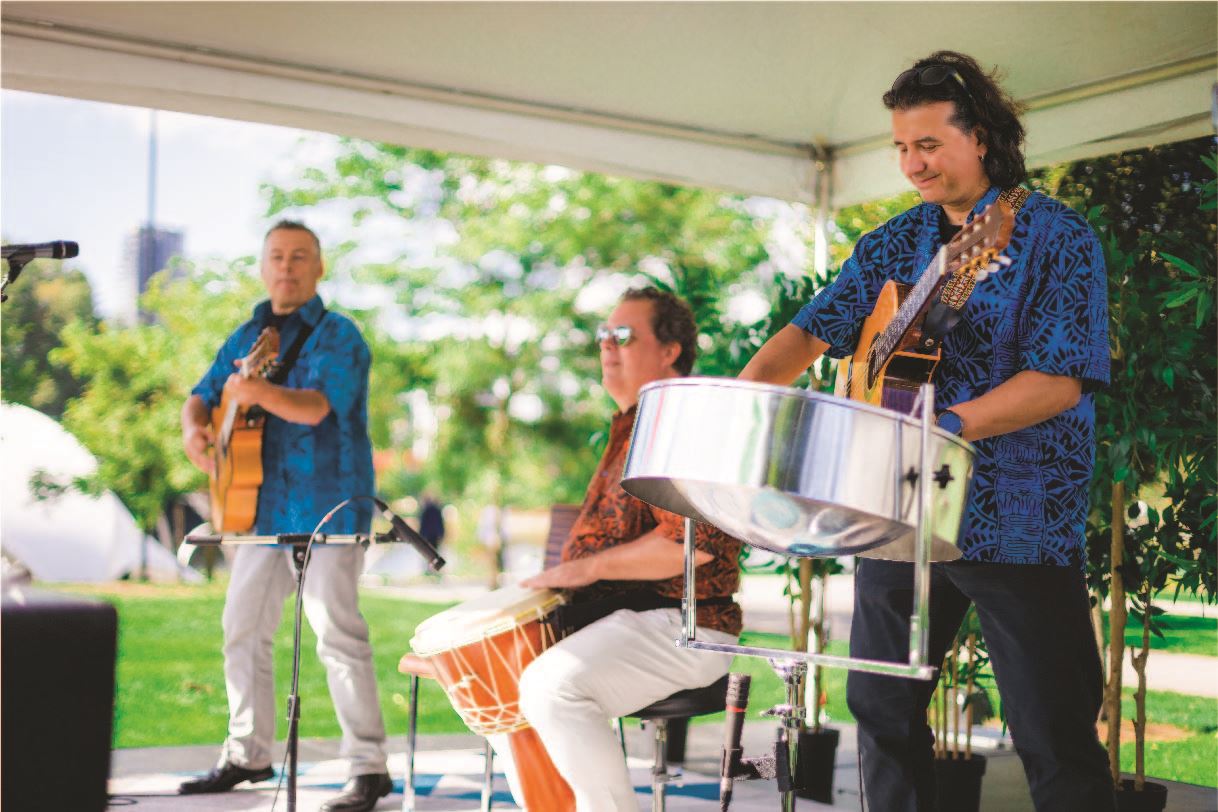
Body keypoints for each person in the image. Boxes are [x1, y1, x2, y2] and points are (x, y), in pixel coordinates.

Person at [740, 51, 1114, 812]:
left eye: (929, 145)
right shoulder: (891, 244)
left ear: (981, 137)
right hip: (897, 511)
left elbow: (1059, 380)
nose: (912, 164)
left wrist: (939, 426)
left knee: (1052, 730)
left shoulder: (1056, 238)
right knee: (879, 713)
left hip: (1019, 513)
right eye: (902, 148)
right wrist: (743, 402)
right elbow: (811, 331)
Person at [179, 220, 392, 812]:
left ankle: (369, 767)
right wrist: (194, 426)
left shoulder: (340, 336)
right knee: (241, 628)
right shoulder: (247, 333)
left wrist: (253, 394)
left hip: (331, 501)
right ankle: (248, 753)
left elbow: (319, 407)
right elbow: (202, 392)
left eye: (300, 257)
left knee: (336, 632)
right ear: (263, 265)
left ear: (319, 268)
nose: (287, 267)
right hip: (257, 505)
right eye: (277, 256)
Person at [516, 287, 743, 811]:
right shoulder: (631, 424)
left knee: (554, 687)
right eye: (603, 336)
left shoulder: (684, 421)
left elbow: (692, 548)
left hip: (686, 625)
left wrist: (585, 569)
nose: (607, 346)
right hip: (628, 621)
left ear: (670, 351)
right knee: (506, 679)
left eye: (624, 335)